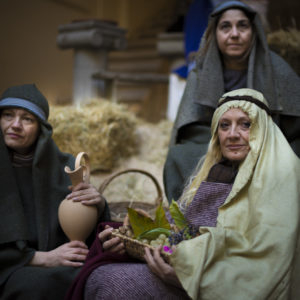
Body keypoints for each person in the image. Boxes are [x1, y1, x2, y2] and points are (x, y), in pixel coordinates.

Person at [65, 88, 300, 300]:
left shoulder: (280, 177)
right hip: (187, 265)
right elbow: (189, 231)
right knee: (100, 270)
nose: (233, 134)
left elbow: (264, 261)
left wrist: (184, 276)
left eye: (245, 125)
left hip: (220, 284)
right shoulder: (221, 171)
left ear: (264, 130)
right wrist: (143, 234)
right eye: (224, 125)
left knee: (110, 283)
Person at [164, 0, 300, 202]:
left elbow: (294, 126)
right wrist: (224, 144)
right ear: (214, 33)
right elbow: (191, 130)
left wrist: (259, 142)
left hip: (269, 148)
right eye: (225, 27)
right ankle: (198, 220)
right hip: (217, 148)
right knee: (178, 157)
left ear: (254, 32)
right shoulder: (200, 73)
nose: (234, 34)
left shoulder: (277, 69)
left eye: (242, 26)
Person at [0, 84, 110, 300]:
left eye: (27, 119)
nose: (15, 125)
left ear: (41, 128)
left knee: (101, 278)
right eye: (7, 115)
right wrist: (42, 258)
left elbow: (89, 233)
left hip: (66, 263)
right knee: (38, 286)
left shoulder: (67, 166)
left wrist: (98, 204)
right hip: (11, 269)